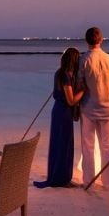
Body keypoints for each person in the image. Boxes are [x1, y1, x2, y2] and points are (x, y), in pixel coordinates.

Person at [34, 47, 83, 188]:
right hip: (63, 112)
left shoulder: (60, 73)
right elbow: (71, 100)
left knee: (62, 144)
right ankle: (60, 179)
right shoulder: (65, 76)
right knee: (63, 145)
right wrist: (83, 90)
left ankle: (61, 177)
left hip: (59, 111)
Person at [78, 26, 109, 190]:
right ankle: (108, 182)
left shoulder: (84, 59)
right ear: (101, 40)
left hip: (88, 107)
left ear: (87, 41)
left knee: (88, 146)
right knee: (107, 146)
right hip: (105, 107)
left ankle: (89, 181)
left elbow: (80, 85)